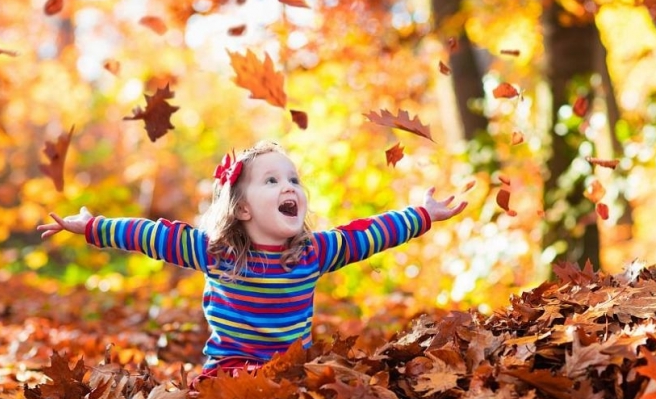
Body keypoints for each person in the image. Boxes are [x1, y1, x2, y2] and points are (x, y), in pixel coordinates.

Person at [38, 140, 467, 381]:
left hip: (292, 368)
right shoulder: (215, 253)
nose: (290, 187)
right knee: (225, 394)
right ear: (242, 209)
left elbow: (371, 233)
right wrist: (92, 226)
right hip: (228, 369)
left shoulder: (314, 253)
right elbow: (149, 235)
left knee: (323, 388)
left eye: (294, 179)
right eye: (273, 180)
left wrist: (423, 214)